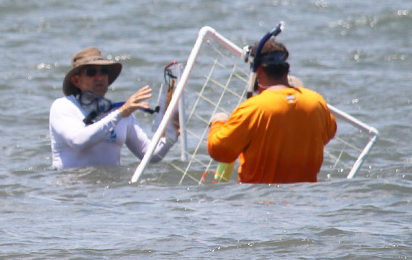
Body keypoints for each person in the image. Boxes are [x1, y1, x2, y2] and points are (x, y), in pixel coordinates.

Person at [206, 36, 337, 183]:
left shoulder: (253, 108)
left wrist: (218, 122)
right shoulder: (316, 101)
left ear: (259, 71)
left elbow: (219, 151)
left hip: (260, 200)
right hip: (306, 201)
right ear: (285, 69)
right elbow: (328, 133)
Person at [49, 47, 177, 170]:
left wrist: (171, 134)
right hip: (72, 190)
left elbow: (151, 156)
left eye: (104, 71)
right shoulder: (63, 106)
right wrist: (120, 113)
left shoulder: (121, 111)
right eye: (91, 72)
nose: (99, 77)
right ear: (77, 81)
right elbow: (79, 142)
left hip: (110, 190)